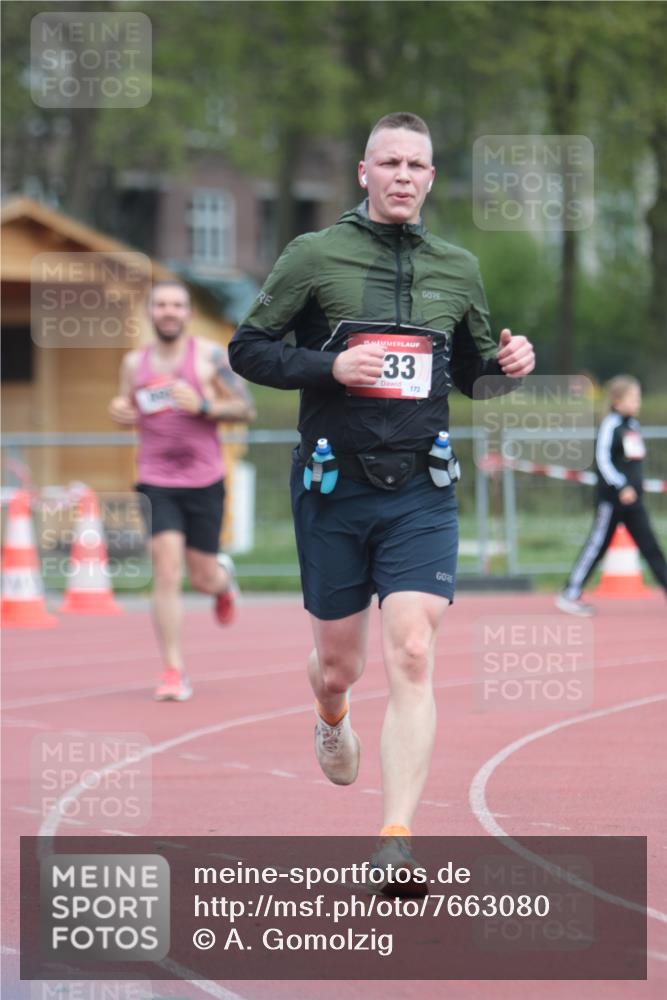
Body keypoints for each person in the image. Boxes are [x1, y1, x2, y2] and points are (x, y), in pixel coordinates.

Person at [229, 111, 535, 887]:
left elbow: (468, 374)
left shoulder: (458, 267)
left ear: (431, 179)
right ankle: (330, 716)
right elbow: (249, 349)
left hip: (421, 487)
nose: (403, 175)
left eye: (416, 165)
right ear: (363, 173)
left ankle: (394, 838)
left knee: (412, 648)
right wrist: (329, 370)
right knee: (340, 665)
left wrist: (509, 366)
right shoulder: (313, 255)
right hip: (334, 484)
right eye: (389, 162)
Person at [109, 281, 256, 701]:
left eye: (176, 305)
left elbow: (246, 408)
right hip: (156, 480)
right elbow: (126, 406)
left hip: (204, 479)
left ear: (188, 313)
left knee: (202, 575)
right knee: (167, 570)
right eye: (161, 305)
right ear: (150, 313)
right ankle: (173, 669)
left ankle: (223, 583)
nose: (169, 311)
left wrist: (204, 406)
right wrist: (119, 411)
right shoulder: (134, 363)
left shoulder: (210, 357)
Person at [556, 375, 667, 616]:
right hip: (612, 501)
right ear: (617, 401)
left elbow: (634, 462)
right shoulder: (610, 425)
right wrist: (621, 486)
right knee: (597, 545)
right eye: (633, 398)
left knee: (651, 546)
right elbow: (603, 460)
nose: (637, 402)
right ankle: (570, 592)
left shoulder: (633, 426)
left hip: (634, 502)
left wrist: (636, 486)